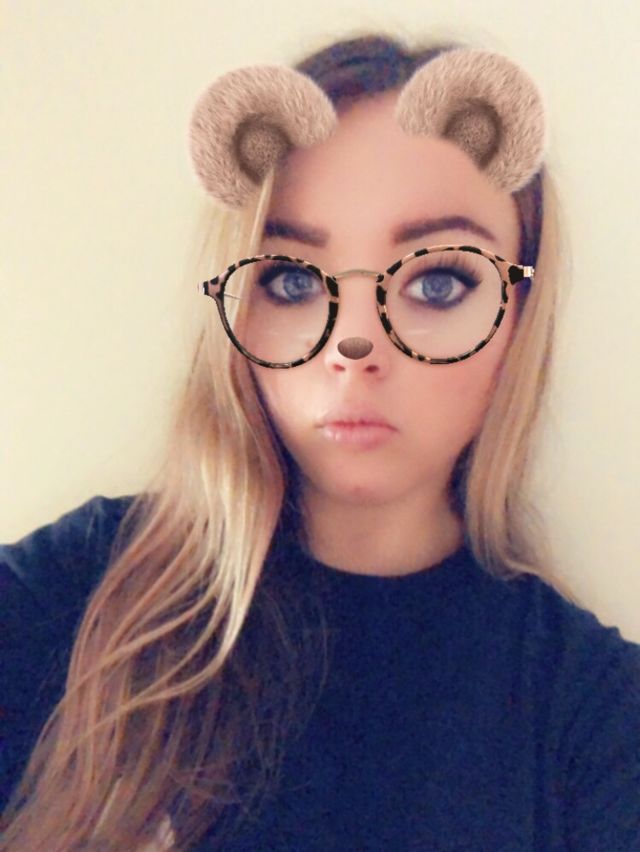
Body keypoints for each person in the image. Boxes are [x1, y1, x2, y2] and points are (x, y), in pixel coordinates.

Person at [1, 32, 639, 852]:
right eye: (293, 280)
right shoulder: (80, 596)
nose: (352, 344)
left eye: (438, 281)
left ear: (520, 312)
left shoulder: (590, 716)